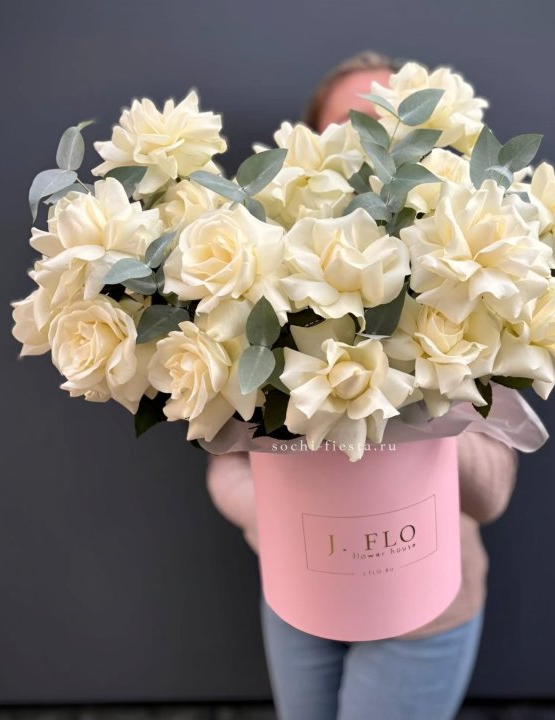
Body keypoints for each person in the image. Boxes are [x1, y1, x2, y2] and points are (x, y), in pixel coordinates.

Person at [206, 51, 519, 720]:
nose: (374, 147)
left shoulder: (470, 300)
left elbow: (491, 492)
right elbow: (222, 465)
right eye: (351, 129)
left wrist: (414, 399)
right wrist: (293, 520)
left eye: (391, 126)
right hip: (297, 595)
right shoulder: (261, 305)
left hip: (425, 610)